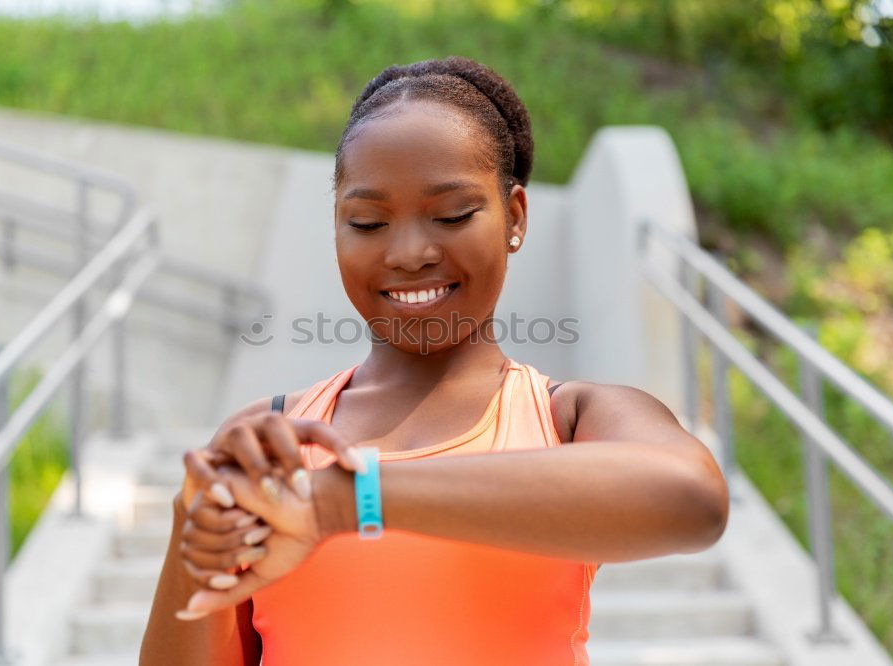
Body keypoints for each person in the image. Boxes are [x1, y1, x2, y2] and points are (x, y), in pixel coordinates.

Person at [140, 55, 729, 665]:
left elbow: (693, 499)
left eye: (452, 215)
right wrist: (194, 522)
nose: (409, 252)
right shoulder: (269, 443)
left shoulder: (570, 419)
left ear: (516, 217)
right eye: (367, 222)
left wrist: (345, 501)